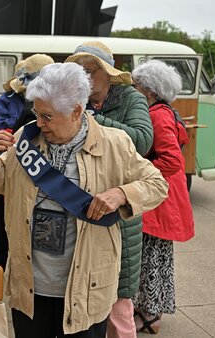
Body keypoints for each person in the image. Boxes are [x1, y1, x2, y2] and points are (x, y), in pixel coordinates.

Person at [0, 62, 168, 338]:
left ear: (77, 110)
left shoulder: (116, 144)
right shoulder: (26, 137)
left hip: (85, 289)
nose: (39, 122)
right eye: (36, 113)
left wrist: (122, 194)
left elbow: (157, 184)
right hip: (30, 288)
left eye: (47, 116)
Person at [66, 40, 154, 338]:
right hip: (80, 210)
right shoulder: (74, 100)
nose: (85, 76)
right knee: (86, 300)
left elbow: (143, 141)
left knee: (118, 305)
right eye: (79, 71)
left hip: (118, 212)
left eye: (90, 70)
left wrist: (92, 120)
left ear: (108, 73)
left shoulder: (131, 99)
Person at [131, 60, 195, 334]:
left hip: (158, 203)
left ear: (150, 90)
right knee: (151, 258)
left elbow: (171, 160)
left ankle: (150, 316)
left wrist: (136, 170)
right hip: (160, 201)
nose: (134, 89)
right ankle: (147, 311)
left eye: (137, 85)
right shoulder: (161, 111)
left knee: (150, 259)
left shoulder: (157, 115)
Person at [0, 54, 54, 270]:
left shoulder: (55, 102)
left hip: (42, 169)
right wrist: (12, 130)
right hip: (12, 161)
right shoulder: (10, 97)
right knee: (4, 223)